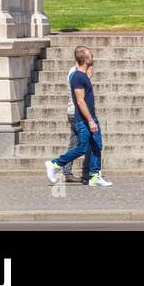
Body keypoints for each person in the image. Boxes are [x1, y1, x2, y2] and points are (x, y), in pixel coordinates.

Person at [45, 46, 112, 188]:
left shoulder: (82, 75)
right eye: (90, 54)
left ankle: (94, 176)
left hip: (91, 117)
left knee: (96, 145)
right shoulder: (77, 77)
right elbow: (80, 101)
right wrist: (90, 120)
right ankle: (54, 163)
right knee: (81, 148)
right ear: (86, 58)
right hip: (83, 119)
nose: (93, 56)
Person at [59, 52, 89, 184]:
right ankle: (58, 164)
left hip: (75, 111)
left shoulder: (75, 72)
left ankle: (67, 170)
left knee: (75, 142)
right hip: (77, 112)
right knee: (86, 143)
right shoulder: (76, 74)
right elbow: (80, 98)